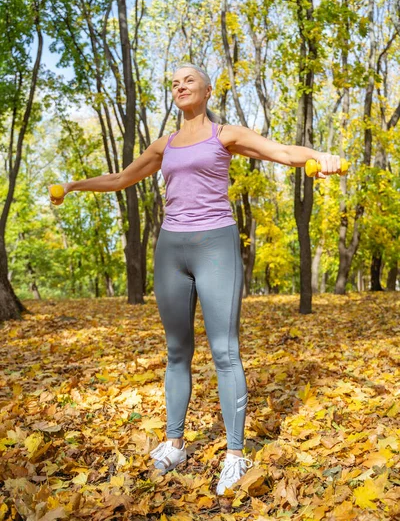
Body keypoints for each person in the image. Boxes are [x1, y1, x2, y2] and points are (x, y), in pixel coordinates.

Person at [49, 62, 341, 495]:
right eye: (174, 82)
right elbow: (120, 179)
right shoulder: (163, 145)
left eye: (188, 80)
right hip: (171, 249)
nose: (179, 86)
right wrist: (73, 185)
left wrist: (319, 156)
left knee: (225, 351)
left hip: (215, 246)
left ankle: (236, 455)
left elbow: (280, 151)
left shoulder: (226, 134)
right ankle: (174, 443)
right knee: (176, 351)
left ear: (206, 90)